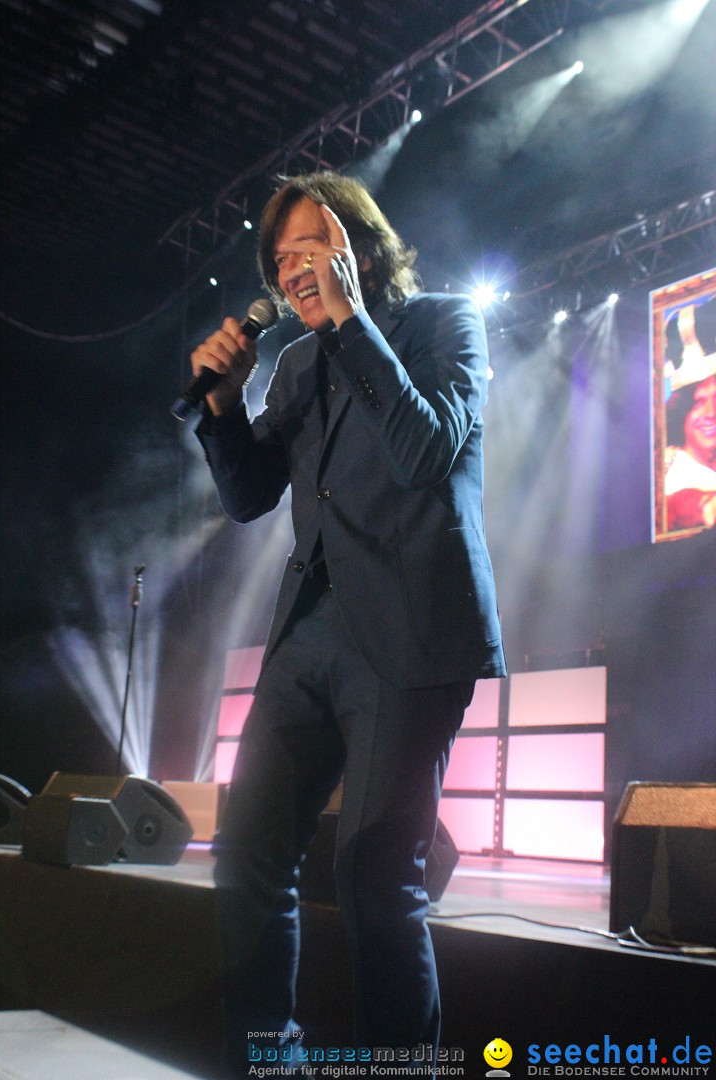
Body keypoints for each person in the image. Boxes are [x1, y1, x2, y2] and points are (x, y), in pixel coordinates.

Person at [190, 172, 506, 1078]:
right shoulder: (296, 365)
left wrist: (351, 323)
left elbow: (426, 451)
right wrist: (223, 405)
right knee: (248, 854)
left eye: (308, 247)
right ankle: (263, 1059)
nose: (291, 268)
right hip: (309, 633)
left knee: (374, 876)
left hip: (412, 631)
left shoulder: (445, 323)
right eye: (279, 256)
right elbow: (251, 496)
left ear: (359, 246)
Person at [664, 303, 716, 531]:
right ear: (681, 411)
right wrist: (705, 505)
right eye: (698, 402)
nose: (711, 413)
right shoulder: (671, 469)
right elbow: (674, 507)